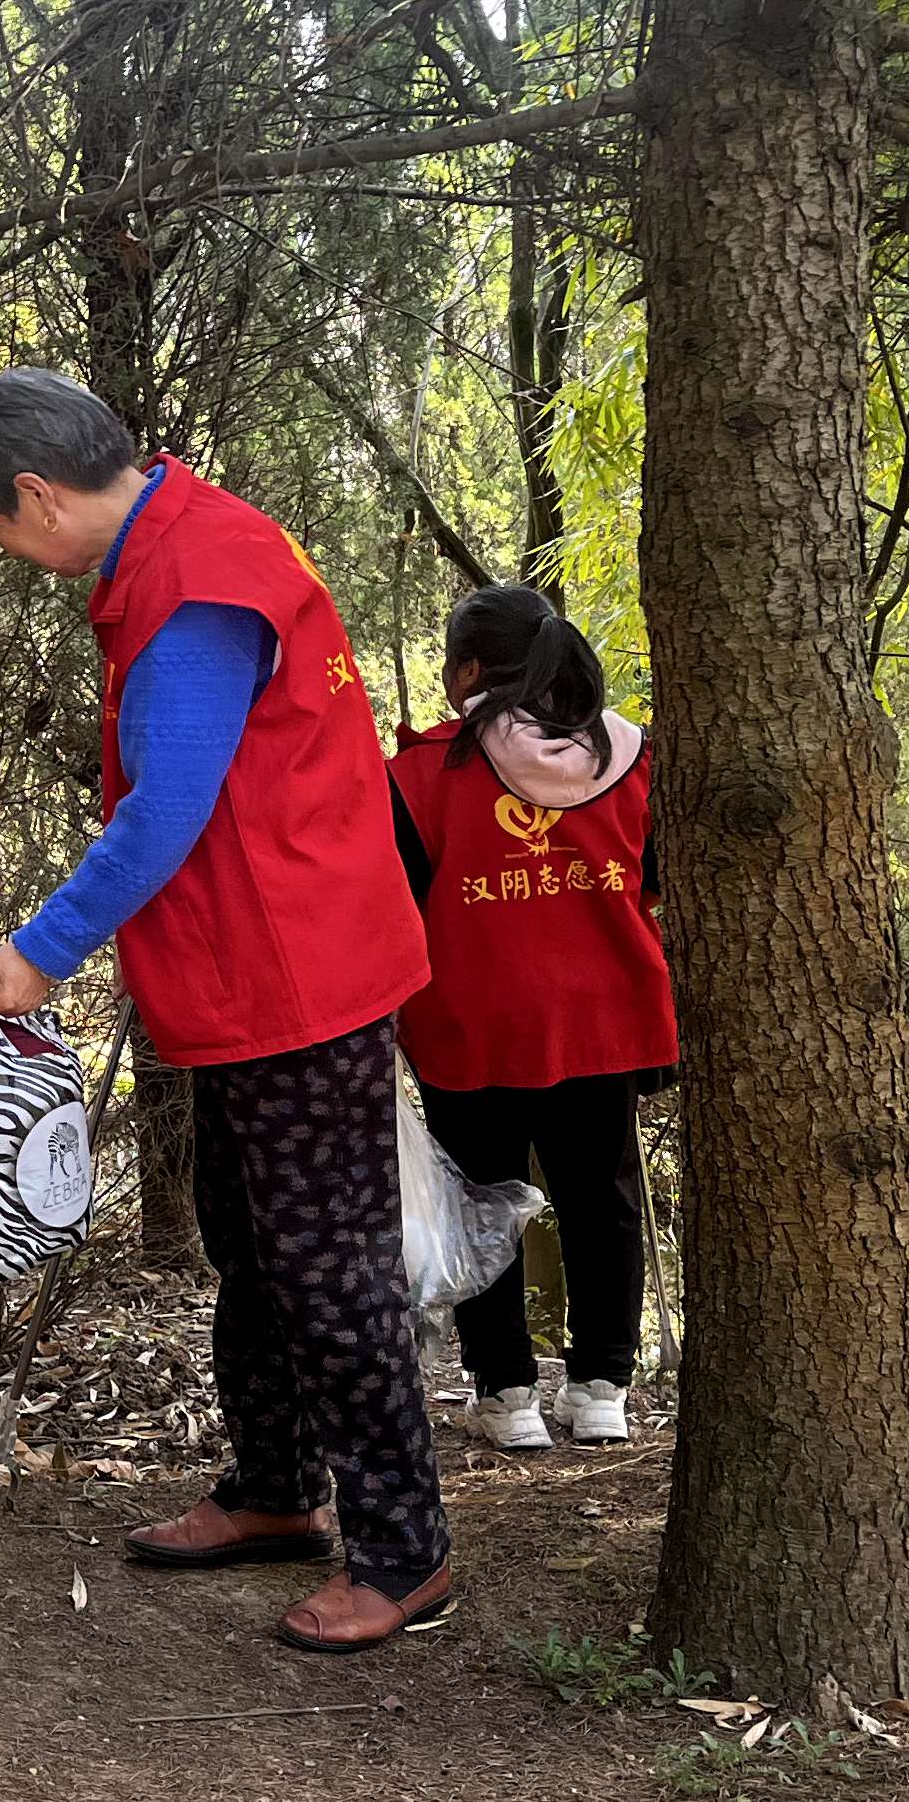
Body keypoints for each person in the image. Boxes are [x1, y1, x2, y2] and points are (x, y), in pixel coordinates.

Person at [0, 367, 445, 1654]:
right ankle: (276, 1490)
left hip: (297, 970)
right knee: (249, 1239)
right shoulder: (184, 527)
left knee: (326, 1264)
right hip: (246, 966)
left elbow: (163, 811)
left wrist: (42, 948)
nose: (10, 553)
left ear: (38, 495)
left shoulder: (192, 586)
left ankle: (402, 1549)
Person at [384, 585, 673, 1452]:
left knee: (480, 1201)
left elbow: (396, 902)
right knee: (602, 1199)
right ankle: (601, 1390)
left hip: (471, 1022)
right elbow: (651, 879)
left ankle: (507, 1394)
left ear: (469, 669)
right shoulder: (628, 754)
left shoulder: (421, 770)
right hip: (603, 1017)